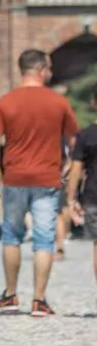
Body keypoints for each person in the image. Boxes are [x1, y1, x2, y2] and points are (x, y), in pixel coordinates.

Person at [0, 50, 79, 317]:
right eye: (50, 68)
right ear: (42, 69)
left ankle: (10, 295)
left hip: (14, 179)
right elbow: (73, 143)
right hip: (47, 179)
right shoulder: (59, 102)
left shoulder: (5, 102)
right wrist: (70, 167)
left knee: (11, 237)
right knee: (44, 241)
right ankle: (39, 300)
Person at [64, 98, 97, 286]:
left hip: (93, 196)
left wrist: (71, 198)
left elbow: (75, 169)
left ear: (93, 103)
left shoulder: (85, 135)